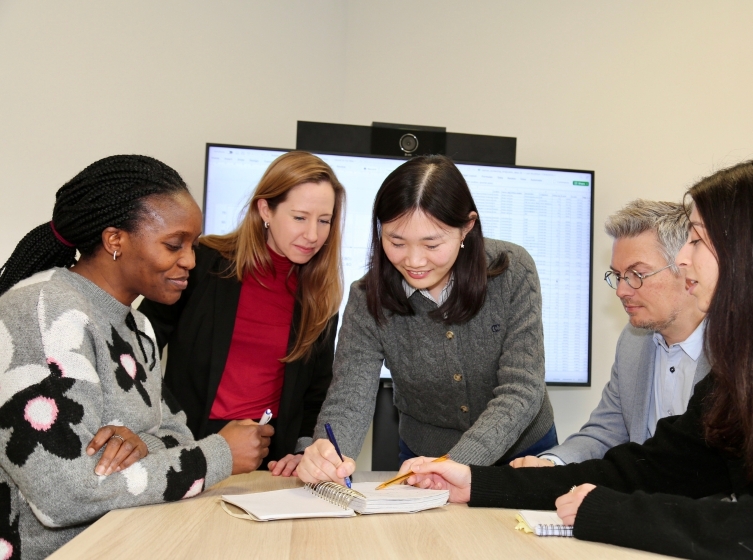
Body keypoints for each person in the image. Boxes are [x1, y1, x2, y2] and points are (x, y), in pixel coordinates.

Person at [404, 158, 753, 559]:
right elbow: (651, 467)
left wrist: (613, 514)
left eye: (698, 240)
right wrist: (480, 483)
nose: (683, 259)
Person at [0, 155, 273, 558]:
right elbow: (64, 496)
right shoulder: (43, 312)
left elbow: (177, 435)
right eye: (174, 245)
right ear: (115, 240)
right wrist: (220, 455)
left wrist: (141, 444)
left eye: (193, 245)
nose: (190, 261)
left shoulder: (138, 327)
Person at [295, 154, 556, 484]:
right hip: (424, 456)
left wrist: (456, 463)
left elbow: (522, 388)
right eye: (396, 242)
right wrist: (328, 455)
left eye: (431, 244)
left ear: (466, 227)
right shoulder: (368, 297)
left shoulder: (512, 270)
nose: (414, 261)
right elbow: (349, 397)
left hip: (523, 453)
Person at [139, 151, 344, 476]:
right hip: (185, 447)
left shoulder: (320, 295)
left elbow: (316, 394)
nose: (313, 235)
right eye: (300, 217)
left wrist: (303, 451)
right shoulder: (202, 263)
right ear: (265, 210)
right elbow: (138, 345)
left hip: (270, 462)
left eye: (324, 220)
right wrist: (147, 424)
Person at [511, 200, 707, 468]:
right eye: (618, 275)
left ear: (687, 269)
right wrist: (552, 464)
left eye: (637, 274)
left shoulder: (737, 352)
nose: (621, 291)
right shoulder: (633, 341)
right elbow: (606, 431)